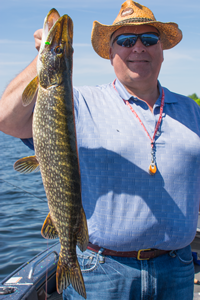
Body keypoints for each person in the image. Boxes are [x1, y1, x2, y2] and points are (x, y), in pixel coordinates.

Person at [0, 0, 200, 299]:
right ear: (110, 52)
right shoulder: (79, 102)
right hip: (101, 271)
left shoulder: (191, 110)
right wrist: (44, 56)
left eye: (149, 40)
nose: (138, 48)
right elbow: (7, 119)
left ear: (161, 49)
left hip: (178, 266)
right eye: (126, 40)